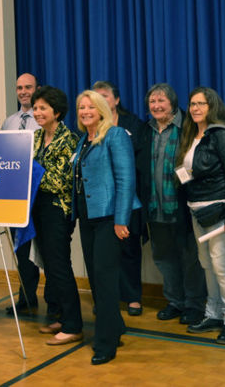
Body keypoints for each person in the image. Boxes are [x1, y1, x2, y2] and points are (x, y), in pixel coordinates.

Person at [71, 90, 138, 365]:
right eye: (81, 108)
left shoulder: (115, 135)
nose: (85, 111)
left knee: (105, 281)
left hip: (110, 218)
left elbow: (126, 179)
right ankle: (115, 327)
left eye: (90, 107)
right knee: (98, 282)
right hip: (88, 218)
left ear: (101, 109)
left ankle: (106, 344)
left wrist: (121, 219)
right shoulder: (83, 141)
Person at [175, 87, 225, 344]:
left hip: (220, 208)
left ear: (212, 106)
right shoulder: (192, 135)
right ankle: (213, 314)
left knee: (222, 265)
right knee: (206, 263)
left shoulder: (221, 135)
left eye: (201, 104)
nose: (195, 108)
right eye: (192, 104)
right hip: (196, 208)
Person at [138, 83, 207, 325]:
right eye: (152, 103)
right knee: (164, 258)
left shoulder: (189, 126)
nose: (156, 106)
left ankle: (194, 305)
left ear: (173, 104)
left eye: (161, 102)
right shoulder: (145, 130)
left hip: (183, 207)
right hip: (154, 208)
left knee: (190, 259)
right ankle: (175, 302)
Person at [30, 86, 83, 346]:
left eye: (43, 109)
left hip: (57, 210)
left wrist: (29, 173)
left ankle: (73, 325)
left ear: (57, 112)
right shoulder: (38, 137)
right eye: (35, 108)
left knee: (60, 266)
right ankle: (62, 316)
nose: (37, 113)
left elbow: (60, 181)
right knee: (50, 266)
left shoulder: (68, 139)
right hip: (39, 207)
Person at [92, 80, 145, 316]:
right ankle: (107, 299)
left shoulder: (132, 123)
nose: (100, 100)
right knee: (104, 257)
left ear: (116, 99)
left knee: (130, 250)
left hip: (127, 197)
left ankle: (133, 298)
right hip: (101, 202)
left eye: (105, 96)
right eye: (96, 97)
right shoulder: (91, 126)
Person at [1, 73, 50, 317]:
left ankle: (54, 302)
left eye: (28, 87)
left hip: (41, 196)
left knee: (48, 251)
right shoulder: (9, 122)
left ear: (37, 88)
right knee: (22, 251)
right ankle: (26, 299)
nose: (23, 92)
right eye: (19, 87)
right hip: (16, 197)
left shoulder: (45, 119)